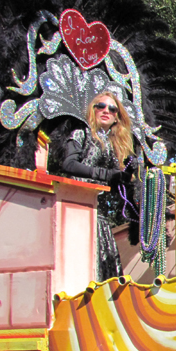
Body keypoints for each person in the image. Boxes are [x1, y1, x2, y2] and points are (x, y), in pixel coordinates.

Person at [60, 90, 136, 280]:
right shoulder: (82, 133)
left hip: (100, 216)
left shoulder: (116, 145)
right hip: (76, 208)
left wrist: (127, 173)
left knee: (103, 272)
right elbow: (68, 164)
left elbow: (121, 188)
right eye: (100, 106)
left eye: (112, 109)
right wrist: (106, 174)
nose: (106, 110)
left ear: (117, 118)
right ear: (92, 110)